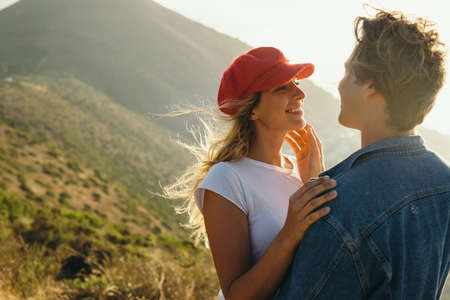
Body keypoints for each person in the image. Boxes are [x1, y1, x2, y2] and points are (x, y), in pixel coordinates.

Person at [273, 9, 450, 300]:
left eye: (346, 73)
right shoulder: (444, 183)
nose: (340, 84)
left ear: (371, 85)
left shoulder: (339, 210)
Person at [164, 46, 338, 300]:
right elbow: (236, 295)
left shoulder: (301, 171)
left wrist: (313, 180)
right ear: (252, 109)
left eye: (296, 83)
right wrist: (290, 233)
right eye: (282, 87)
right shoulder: (226, 180)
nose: (300, 93)